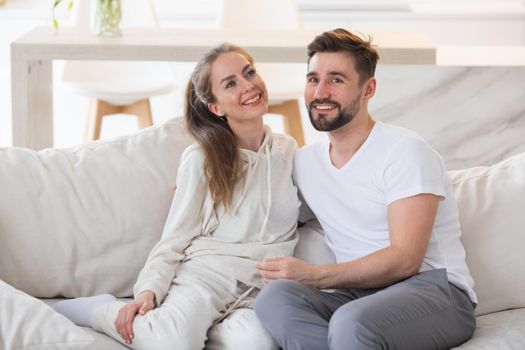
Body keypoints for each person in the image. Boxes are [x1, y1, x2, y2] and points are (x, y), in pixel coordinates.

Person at [53, 43, 300, 350]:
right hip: (206, 277)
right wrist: (148, 291)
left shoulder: (287, 150)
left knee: (256, 345)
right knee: (174, 342)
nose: (248, 86)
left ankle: (197, 326)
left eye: (249, 73)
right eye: (230, 83)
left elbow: (307, 211)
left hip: (257, 289)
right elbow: (175, 236)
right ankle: (99, 310)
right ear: (215, 107)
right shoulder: (201, 159)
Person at [254, 28, 477, 350]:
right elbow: (268, 212)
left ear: (368, 88)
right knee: (274, 298)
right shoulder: (305, 163)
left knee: (352, 322)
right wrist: (204, 187)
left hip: (436, 292)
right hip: (360, 296)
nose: (320, 92)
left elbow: (405, 260)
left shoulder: (405, 151)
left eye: (336, 80)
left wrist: (314, 275)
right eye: (313, 79)